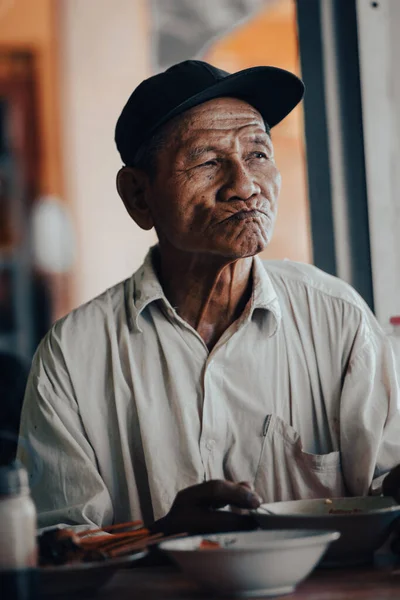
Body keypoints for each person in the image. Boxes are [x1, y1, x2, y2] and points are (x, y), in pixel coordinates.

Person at [17, 60, 400, 535]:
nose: (245, 186)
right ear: (139, 195)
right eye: (208, 161)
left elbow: (387, 492)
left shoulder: (338, 320)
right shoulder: (74, 355)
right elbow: (54, 546)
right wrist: (160, 537)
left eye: (258, 154)